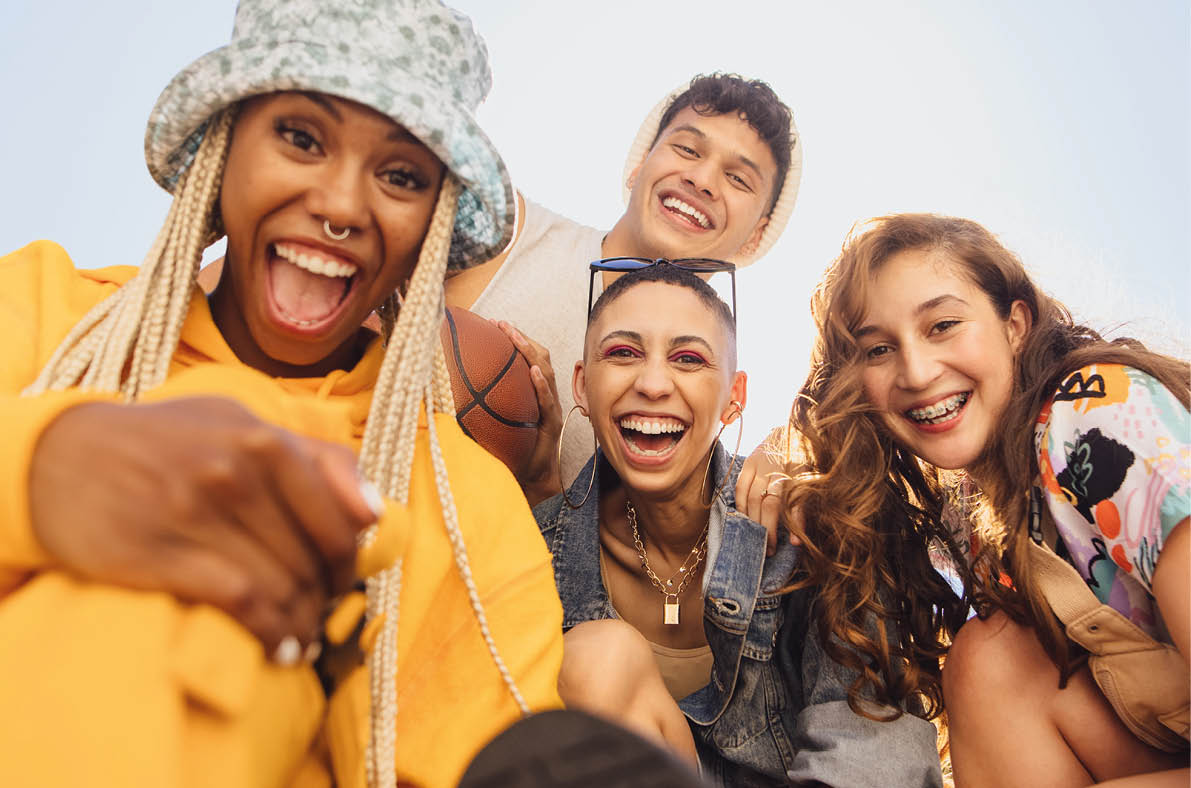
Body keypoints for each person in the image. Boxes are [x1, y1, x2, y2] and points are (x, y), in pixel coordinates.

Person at [0, 1, 564, 786]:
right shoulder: (42, 313)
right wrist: (39, 474)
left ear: (432, 229)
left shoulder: (467, 511)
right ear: (224, 143)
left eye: (401, 176)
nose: (340, 205)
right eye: (301, 138)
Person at [788, 213, 1188, 786]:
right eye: (878, 350)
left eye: (943, 325)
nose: (916, 372)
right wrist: (779, 471)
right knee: (986, 658)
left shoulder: (1095, 418)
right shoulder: (979, 510)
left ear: (1015, 325)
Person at [533, 261, 944, 786]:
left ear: (735, 397)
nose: (653, 383)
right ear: (582, 385)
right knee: (596, 659)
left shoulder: (809, 523)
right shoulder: (532, 549)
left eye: (688, 358)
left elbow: (871, 745)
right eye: (622, 353)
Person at [448, 73, 803, 504]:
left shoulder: (692, 415)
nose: (703, 179)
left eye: (739, 179)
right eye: (687, 149)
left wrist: (783, 451)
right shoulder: (504, 228)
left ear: (757, 236)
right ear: (639, 166)